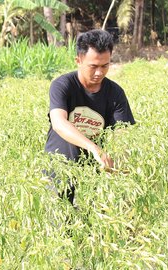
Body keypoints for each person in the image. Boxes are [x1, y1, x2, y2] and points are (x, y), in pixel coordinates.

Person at [44, 29, 136, 205]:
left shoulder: (115, 93)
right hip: (60, 167)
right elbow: (59, 123)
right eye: (93, 66)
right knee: (59, 222)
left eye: (105, 66)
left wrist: (119, 163)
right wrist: (93, 148)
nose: (99, 73)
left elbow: (122, 133)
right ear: (78, 61)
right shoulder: (62, 86)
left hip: (94, 172)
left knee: (93, 224)